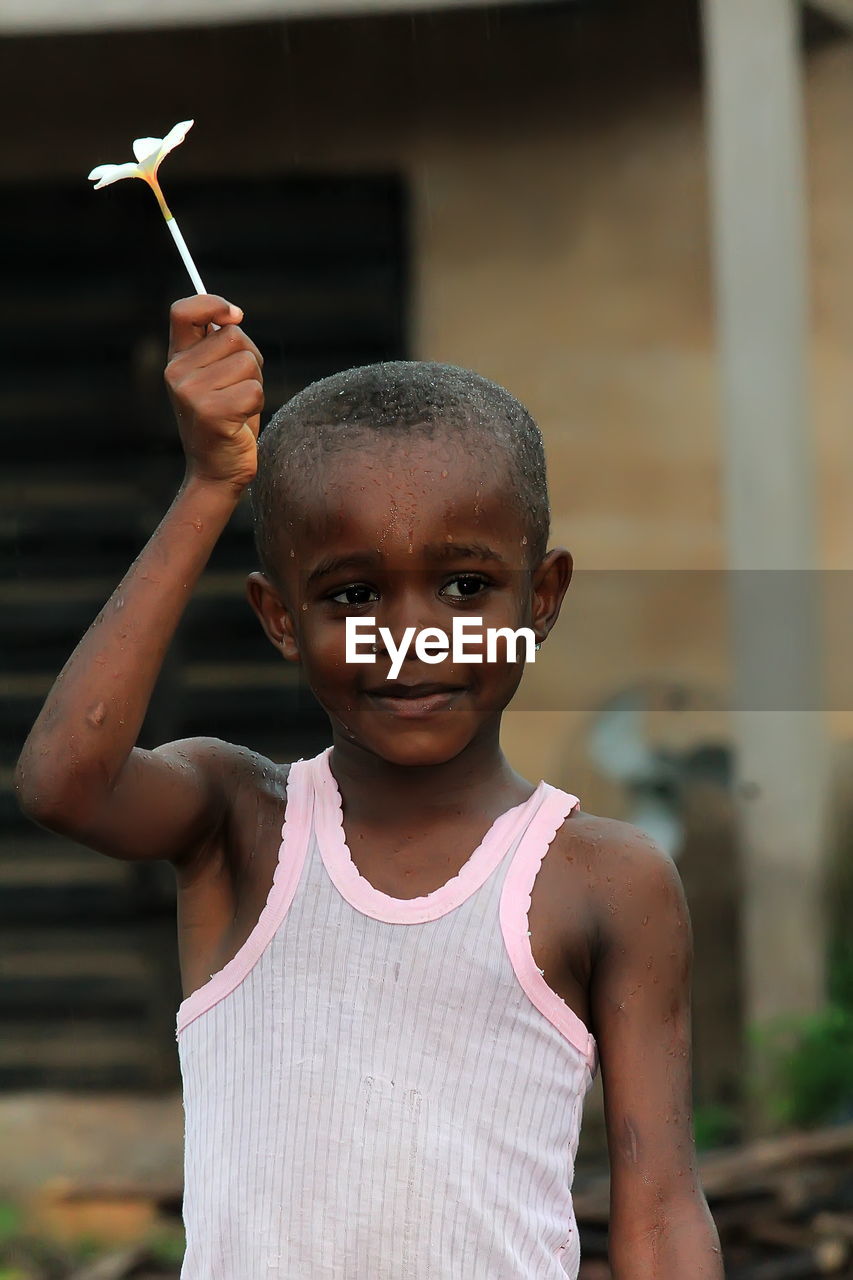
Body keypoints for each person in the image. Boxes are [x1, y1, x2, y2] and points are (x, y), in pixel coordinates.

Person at [15, 294, 723, 1279]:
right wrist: (210, 487)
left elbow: (660, 1208)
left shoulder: (607, 877)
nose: (413, 633)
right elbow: (64, 782)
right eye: (352, 594)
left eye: (466, 586)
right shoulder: (240, 819)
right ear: (277, 617)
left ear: (543, 596)